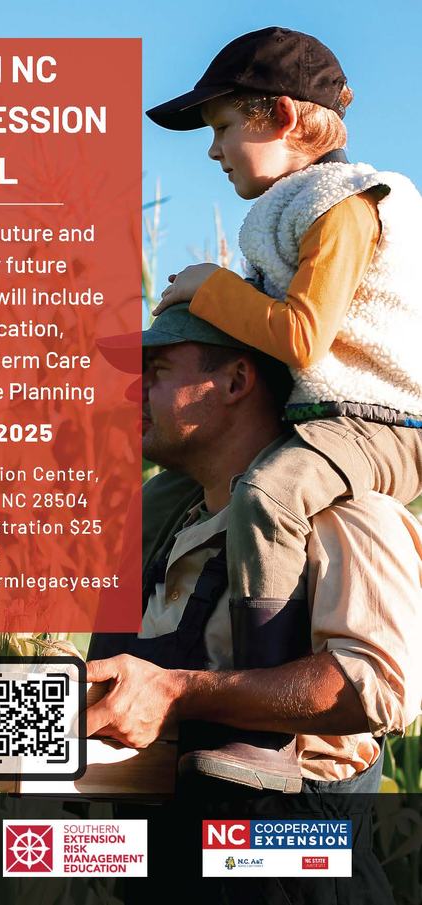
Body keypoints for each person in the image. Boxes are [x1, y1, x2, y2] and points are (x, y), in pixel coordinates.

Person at [141, 26, 422, 785]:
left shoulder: (344, 205)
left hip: (377, 423)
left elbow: (301, 338)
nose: (212, 150)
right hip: (326, 420)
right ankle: (115, 680)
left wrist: (210, 286)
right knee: (153, 504)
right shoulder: (288, 209)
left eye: (225, 128)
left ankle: (265, 736)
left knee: (269, 492)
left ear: (284, 118)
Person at [86, 306, 421, 901]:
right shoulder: (170, 530)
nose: (135, 393)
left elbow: (376, 686)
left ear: (237, 382)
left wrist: (176, 692)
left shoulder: (345, 517)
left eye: (158, 371)